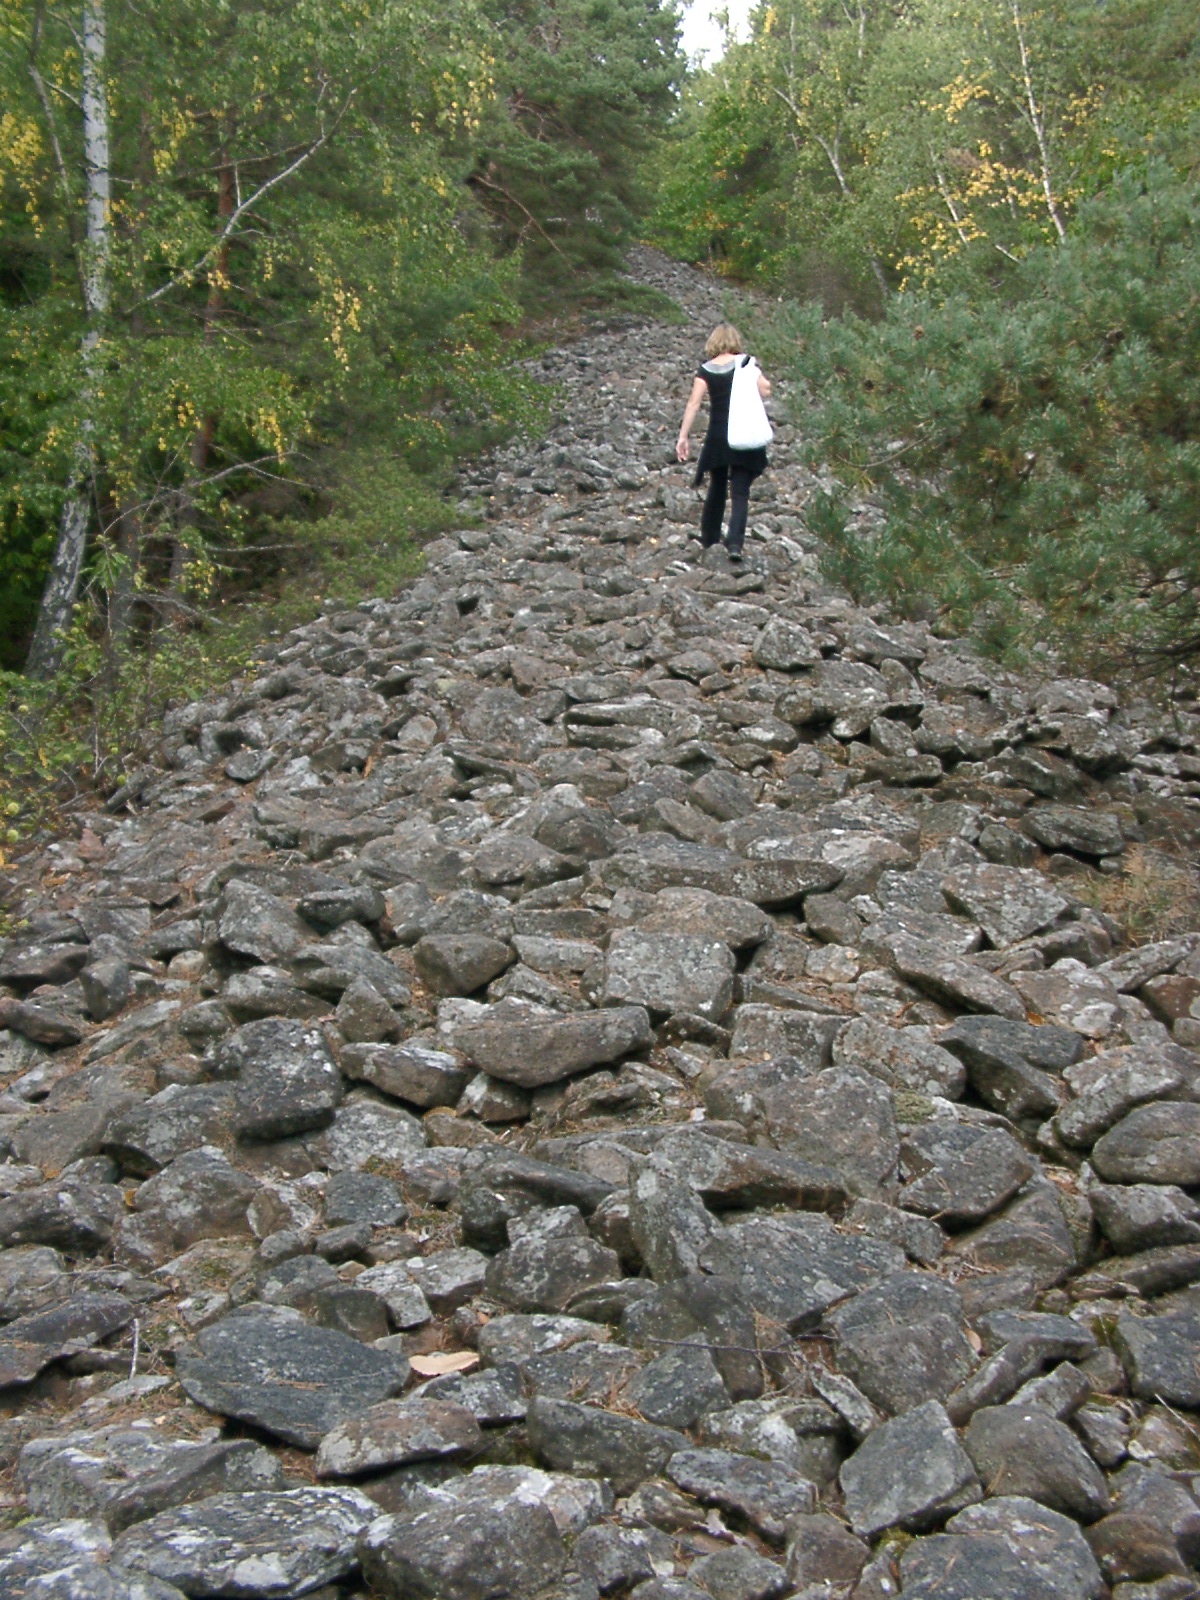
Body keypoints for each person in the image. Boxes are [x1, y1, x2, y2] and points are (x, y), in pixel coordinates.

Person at [675, 323, 771, 561]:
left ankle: (709, 539)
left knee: (716, 487)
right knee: (740, 492)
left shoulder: (705, 370)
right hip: (743, 432)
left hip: (718, 435)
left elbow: (694, 403)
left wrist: (683, 436)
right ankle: (735, 544)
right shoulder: (746, 364)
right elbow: (765, 390)